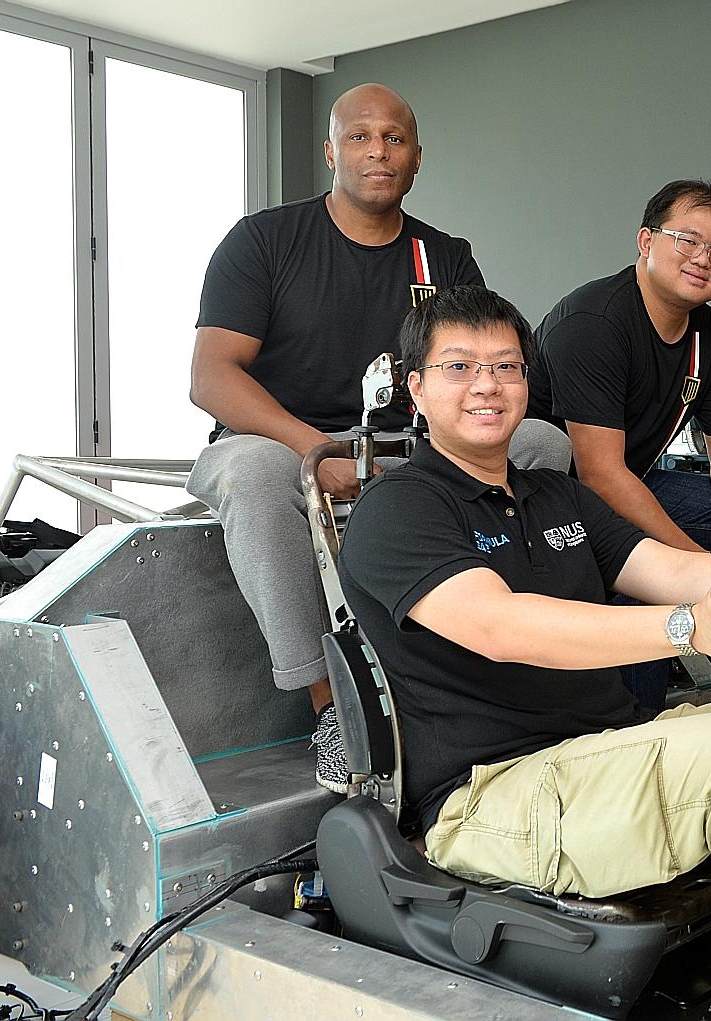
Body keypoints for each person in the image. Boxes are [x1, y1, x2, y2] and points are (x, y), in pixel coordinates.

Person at [338, 285, 711, 898]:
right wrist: (686, 626)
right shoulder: (398, 509)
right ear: (416, 388)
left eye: (505, 367)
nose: (486, 384)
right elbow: (501, 627)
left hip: (605, 752)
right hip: (493, 794)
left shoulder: (557, 495)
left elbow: (673, 569)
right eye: (459, 366)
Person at [186, 83, 569, 793]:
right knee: (256, 476)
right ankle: (332, 705)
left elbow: (477, 367)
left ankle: (505, 669)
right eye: (359, 137)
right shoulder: (264, 240)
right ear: (331, 150)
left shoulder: (443, 258)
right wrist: (314, 451)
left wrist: (437, 456)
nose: (377, 151)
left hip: (408, 445)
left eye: (394, 138)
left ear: (417, 157)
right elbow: (211, 378)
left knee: (543, 443)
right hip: (277, 438)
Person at [527, 179, 711, 553]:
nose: (702, 259)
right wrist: (694, 562)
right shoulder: (593, 322)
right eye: (689, 240)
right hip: (551, 502)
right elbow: (599, 475)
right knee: (678, 563)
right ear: (646, 241)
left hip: (636, 480)